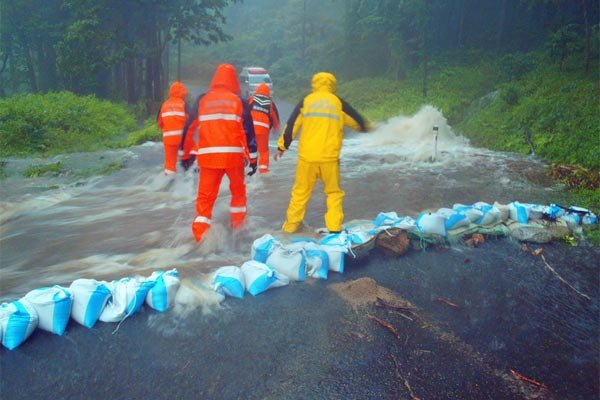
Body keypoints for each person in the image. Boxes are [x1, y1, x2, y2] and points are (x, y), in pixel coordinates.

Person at [274, 71, 369, 234]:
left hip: (307, 158)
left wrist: (282, 147)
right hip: (329, 159)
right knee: (333, 193)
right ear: (332, 85)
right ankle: (334, 228)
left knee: (300, 193)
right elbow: (356, 121)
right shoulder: (338, 102)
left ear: (315, 84)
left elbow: (292, 125)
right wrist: (369, 128)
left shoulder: (307, 101)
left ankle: (290, 227)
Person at [180, 64, 258, 243]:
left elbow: (189, 128)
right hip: (233, 158)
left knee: (205, 200)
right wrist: (253, 160)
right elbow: (248, 133)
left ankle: (200, 239)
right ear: (233, 81)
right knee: (238, 193)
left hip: (208, 159)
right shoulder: (239, 101)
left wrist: (185, 156)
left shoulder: (202, 100)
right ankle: (239, 230)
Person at [157, 81, 193, 175]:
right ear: (183, 93)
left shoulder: (164, 105)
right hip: (183, 139)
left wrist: (168, 129)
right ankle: (187, 180)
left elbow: (160, 123)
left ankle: (169, 184)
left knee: (169, 164)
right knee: (187, 159)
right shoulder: (184, 105)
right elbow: (191, 122)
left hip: (169, 139)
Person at [248, 83, 280, 174]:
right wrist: (276, 130)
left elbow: (244, 112)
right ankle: (263, 170)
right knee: (264, 151)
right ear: (268, 92)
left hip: (251, 129)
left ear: (257, 90)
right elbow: (275, 120)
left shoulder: (251, 99)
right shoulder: (270, 103)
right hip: (263, 130)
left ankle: (247, 169)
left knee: (247, 149)